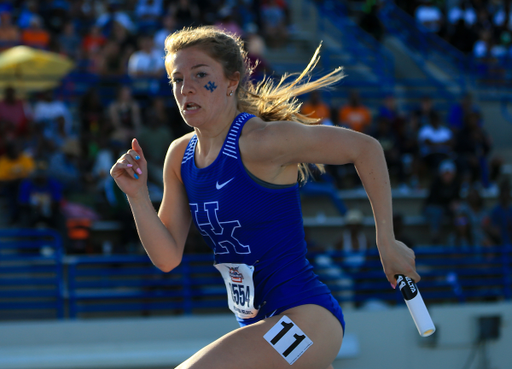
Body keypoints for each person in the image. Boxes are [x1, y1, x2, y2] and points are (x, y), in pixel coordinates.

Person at [110, 26, 419, 369]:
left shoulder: (262, 141)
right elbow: (167, 257)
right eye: (177, 79)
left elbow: (366, 148)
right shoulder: (179, 156)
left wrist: (386, 242)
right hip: (261, 326)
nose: (187, 88)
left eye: (200, 75)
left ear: (232, 81)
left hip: (306, 319)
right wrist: (137, 197)